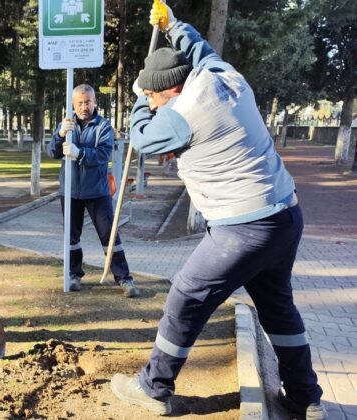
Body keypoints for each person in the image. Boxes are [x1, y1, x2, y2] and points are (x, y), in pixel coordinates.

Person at [109, 3, 326, 419]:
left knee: (187, 294)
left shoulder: (180, 114)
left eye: (153, 96)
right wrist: (172, 25)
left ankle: (153, 387)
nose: (152, 103)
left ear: (169, 91)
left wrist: (138, 101)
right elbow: (200, 47)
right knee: (278, 307)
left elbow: (141, 138)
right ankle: (304, 398)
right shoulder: (222, 75)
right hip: (285, 216)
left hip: (244, 227)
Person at [46, 84, 140, 297]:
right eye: (79, 102)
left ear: (95, 102)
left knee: (109, 235)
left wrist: (79, 153)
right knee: (71, 236)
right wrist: (60, 135)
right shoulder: (67, 124)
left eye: (87, 102)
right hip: (70, 191)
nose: (84, 106)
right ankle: (73, 274)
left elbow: (102, 155)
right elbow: (52, 152)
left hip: (97, 191)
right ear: (73, 103)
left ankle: (124, 278)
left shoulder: (103, 126)